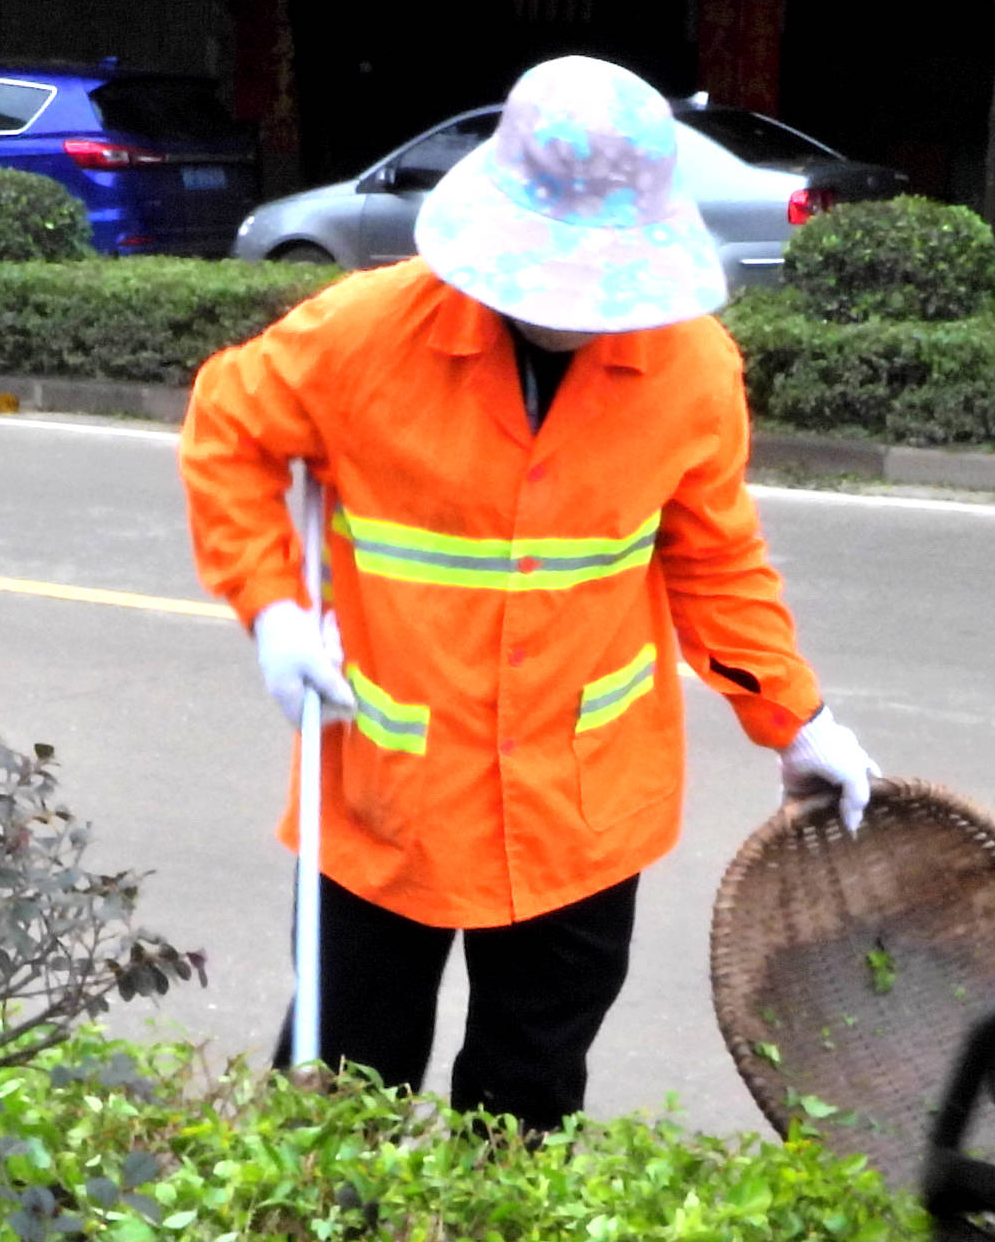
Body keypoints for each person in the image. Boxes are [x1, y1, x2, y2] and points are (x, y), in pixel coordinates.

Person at [181, 55, 881, 1127]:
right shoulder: (363, 336)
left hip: (580, 814)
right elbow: (228, 433)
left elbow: (714, 561)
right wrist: (273, 606)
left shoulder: (691, 369)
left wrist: (796, 719)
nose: (576, 308)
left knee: (529, 1098)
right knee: (335, 1098)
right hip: (386, 800)